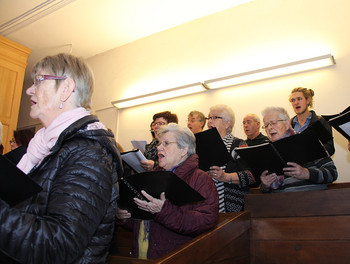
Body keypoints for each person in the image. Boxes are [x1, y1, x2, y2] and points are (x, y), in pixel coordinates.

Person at [0, 53, 123, 264]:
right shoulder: (43, 147)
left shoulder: (89, 154)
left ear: (66, 89)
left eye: (38, 80)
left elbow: (58, 245)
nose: (29, 89)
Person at [116, 123, 219, 259]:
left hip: (175, 257)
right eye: (159, 143)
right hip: (141, 255)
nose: (159, 147)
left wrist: (163, 211)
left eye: (166, 143)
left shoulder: (201, 179)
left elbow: (206, 220)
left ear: (183, 150)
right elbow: (142, 220)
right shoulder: (151, 176)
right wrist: (123, 217)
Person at [260, 107, 337, 193]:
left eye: (273, 123)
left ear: (287, 123)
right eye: (266, 125)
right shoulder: (267, 152)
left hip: (312, 201)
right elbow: (265, 191)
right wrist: (265, 186)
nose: (269, 128)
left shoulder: (308, 141)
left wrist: (306, 173)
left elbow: (332, 173)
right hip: (280, 203)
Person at [206, 104, 256, 212]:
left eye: (214, 117)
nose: (209, 121)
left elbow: (251, 176)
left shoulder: (238, 145)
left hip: (233, 210)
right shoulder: (205, 147)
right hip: (208, 208)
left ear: (227, 123)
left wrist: (225, 177)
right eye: (209, 118)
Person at [289, 87, 335, 156]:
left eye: (299, 99)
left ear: (308, 100)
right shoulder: (288, 125)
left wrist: (308, 151)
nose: (296, 103)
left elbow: (330, 148)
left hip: (317, 165)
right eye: (293, 100)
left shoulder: (320, 121)